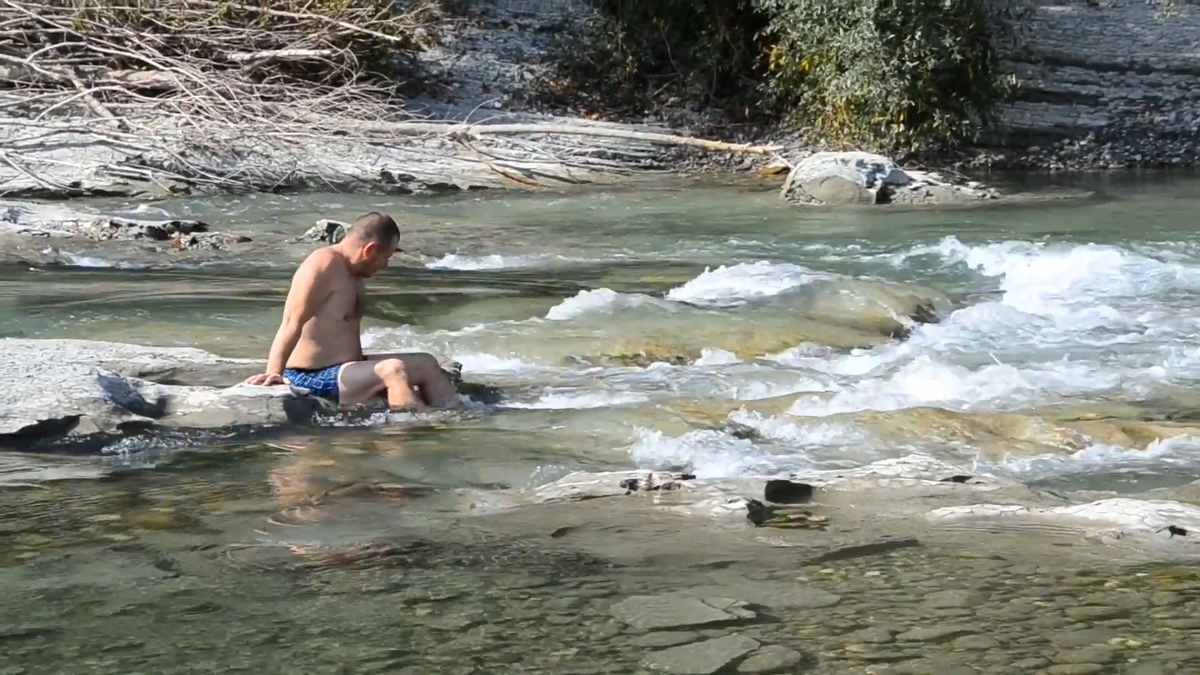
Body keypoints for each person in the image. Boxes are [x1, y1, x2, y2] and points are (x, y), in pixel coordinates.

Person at [243, 211, 462, 411]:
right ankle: (410, 430)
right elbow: (292, 321)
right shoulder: (323, 264)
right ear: (370, 250)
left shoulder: (355, 271)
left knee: (426, 363)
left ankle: (456, 418)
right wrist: (273, 372)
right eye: (386, 257)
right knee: (393, 369)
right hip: (310, 376)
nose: (385, 265)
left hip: (347, 369)